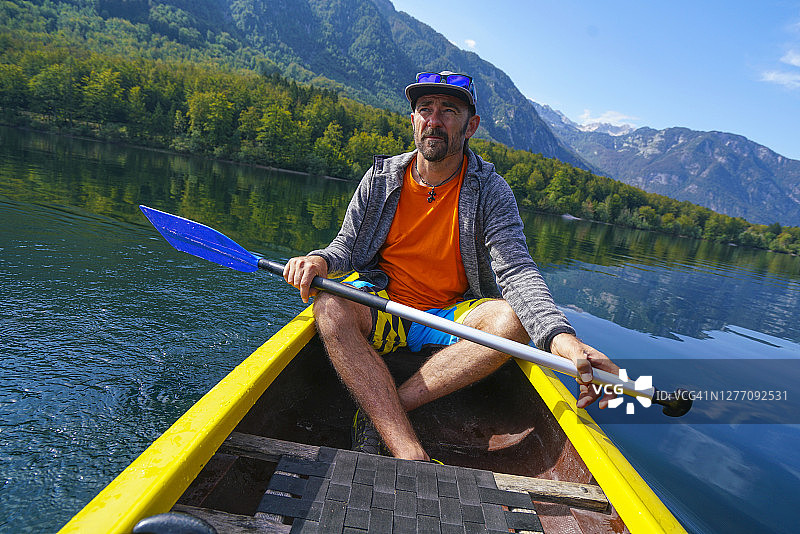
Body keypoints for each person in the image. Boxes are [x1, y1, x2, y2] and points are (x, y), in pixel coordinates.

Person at [283, 71, 619, 461]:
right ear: (413, 121)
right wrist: (319, 260)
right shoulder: (380, 179)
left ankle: (385, 411)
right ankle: (410, 452)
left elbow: (517, 272)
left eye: (449, 110)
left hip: (449, 315)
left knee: (512, 321)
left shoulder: (491, 191)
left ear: (471, 125)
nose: (434, 120)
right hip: (384, 304)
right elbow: (346, 245)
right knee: (328, 305)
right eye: (425, 109)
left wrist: (562, 339)